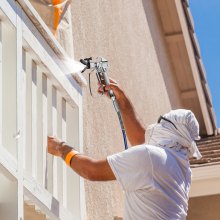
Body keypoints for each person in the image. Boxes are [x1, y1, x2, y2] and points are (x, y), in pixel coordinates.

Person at [48, 78, 202, 220]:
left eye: (162, 122)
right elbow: (141, 140)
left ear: (169, 130)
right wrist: (122, 100)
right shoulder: (179, 168)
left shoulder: (152, 158)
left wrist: (60, 148)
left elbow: (92, 171)